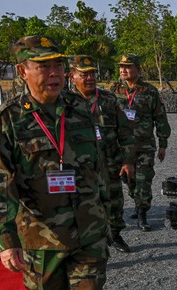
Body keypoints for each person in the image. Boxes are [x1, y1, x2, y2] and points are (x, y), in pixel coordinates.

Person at [0, 35, 140, 290]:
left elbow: (98, 166)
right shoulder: (8, 120)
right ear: (22, 71)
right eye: (44, 66)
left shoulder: (80, 108)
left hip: (87, 226)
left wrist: (109, 214)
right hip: (39, 232)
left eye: (58, 65)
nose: (54, 73)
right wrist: (5, 242)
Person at [69, 55, 135, 253]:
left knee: (114, 200)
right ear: (72, 76)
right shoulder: (65, 102)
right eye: (84, 74)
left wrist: (128, 161)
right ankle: (87, 241)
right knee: (82, 203)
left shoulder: (108, 99)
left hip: (111, 162)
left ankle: (115, 234)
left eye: (92, 74)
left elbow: (125, 131)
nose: (89, 78)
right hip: (80, 166)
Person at [110, 53, 171, 232]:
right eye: (121, 67)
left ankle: (142, 212)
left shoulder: (149, 91)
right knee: (129, 179)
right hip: (121, 146)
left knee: (144, 179)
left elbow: (160, 118)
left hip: (144, 145)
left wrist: (163, 144)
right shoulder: (114, 91)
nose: (123, 70)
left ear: (138, 69)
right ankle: (138, 202)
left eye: (128, 66)